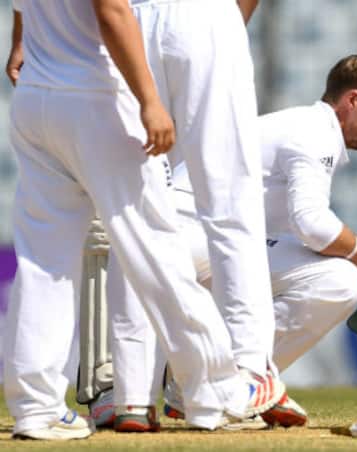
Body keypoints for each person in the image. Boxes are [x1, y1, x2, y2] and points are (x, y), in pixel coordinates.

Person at [3, 0, 283, 440]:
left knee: (44, 263)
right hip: (96, 97)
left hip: (37, 98)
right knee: (158, 250)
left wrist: (19, 41)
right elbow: (111, 8)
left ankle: (36, 406)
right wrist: (149, 101)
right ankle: (217, 387)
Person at [98, 46, 357, 431]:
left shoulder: (303, 126)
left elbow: (297, 230)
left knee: (340, 274)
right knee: (338, 280)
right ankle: (229, 386)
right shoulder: (314, 133)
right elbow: (312, 223)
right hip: (188, 238)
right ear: (352, 100)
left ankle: (209, 383)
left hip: (189, 239)